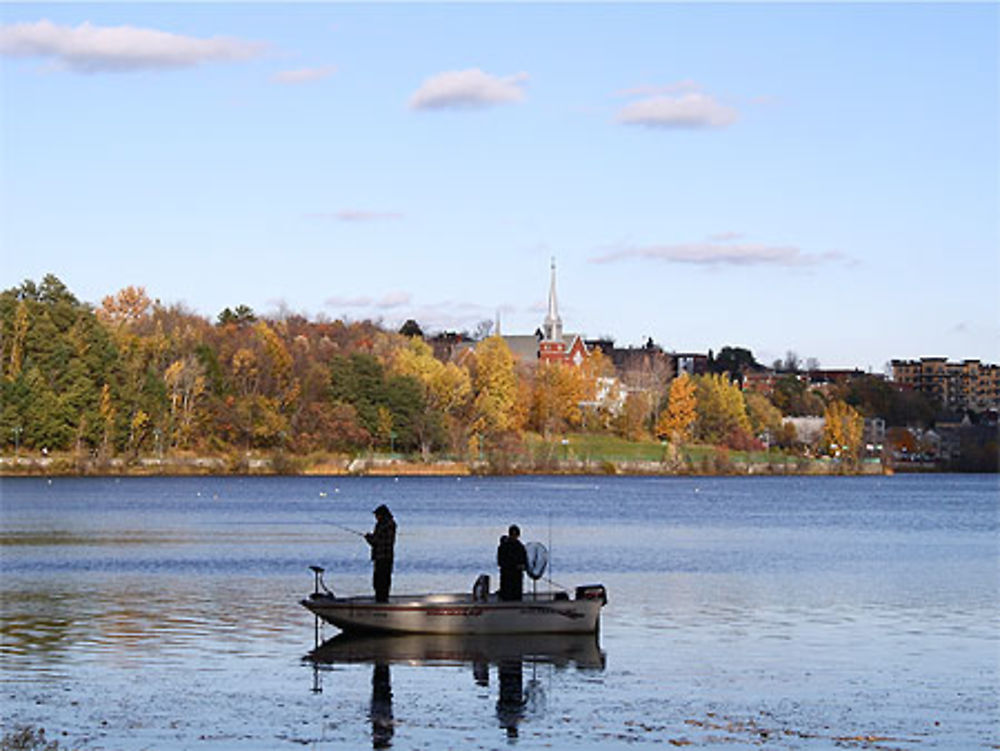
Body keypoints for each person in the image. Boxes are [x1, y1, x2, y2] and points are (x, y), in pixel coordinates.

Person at [365, 504, 396, 603]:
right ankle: (383, 599)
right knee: (385, 580)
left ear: (382, 515)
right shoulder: (391, 524)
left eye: (377, 515)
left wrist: (368, 538)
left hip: (381, 557)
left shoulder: (382, 525)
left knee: (379, 581)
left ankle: (380, 601)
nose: (375, 517)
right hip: (388, 556)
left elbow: (375, 541)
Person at [496, 524, 527, 601]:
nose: (514, 537)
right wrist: (512, 566)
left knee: (516, 595)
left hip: (517, 575)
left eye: (516, 535)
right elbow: (500, 561)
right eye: (512, 535)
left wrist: (523, 566)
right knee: (506, 594)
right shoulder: (503, 546)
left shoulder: (520, 547)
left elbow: (524, 560)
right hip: (507, 575)